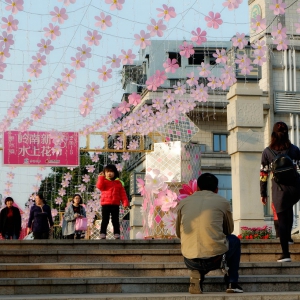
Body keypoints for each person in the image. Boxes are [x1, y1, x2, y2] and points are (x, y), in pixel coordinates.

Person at [176, 173, 242, 294]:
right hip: (215, 259)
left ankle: (197, 274)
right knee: (234, 240)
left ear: (197, 188)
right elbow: (229, 230)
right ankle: (232, 282)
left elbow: (178, 233)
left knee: (196, 247)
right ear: (216, 189)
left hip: (189, 259)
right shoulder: (223, 202)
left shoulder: (183, 203)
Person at [260, 121, 300, 262]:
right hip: (295, 188)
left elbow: (263, 175)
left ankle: (286, 254)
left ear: (273, 134)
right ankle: (288, 238)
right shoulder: (295, 149)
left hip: (279, 189)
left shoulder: (267, 152)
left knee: (282, 219)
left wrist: (263, 193)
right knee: (288, 211)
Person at [96, 164, 129, 239]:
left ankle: (117, 233)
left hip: (115, 204)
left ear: (115, 173)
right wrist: (100, 177)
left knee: (115, 220)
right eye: (107, 172)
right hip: (105, 204)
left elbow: (123, 194)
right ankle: (103, 233)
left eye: (111, 172)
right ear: (104, 173)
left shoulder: (118, 183)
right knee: (105, 220)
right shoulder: (103, 181)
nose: (109, 173)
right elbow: (99, 186)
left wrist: (125, 203)